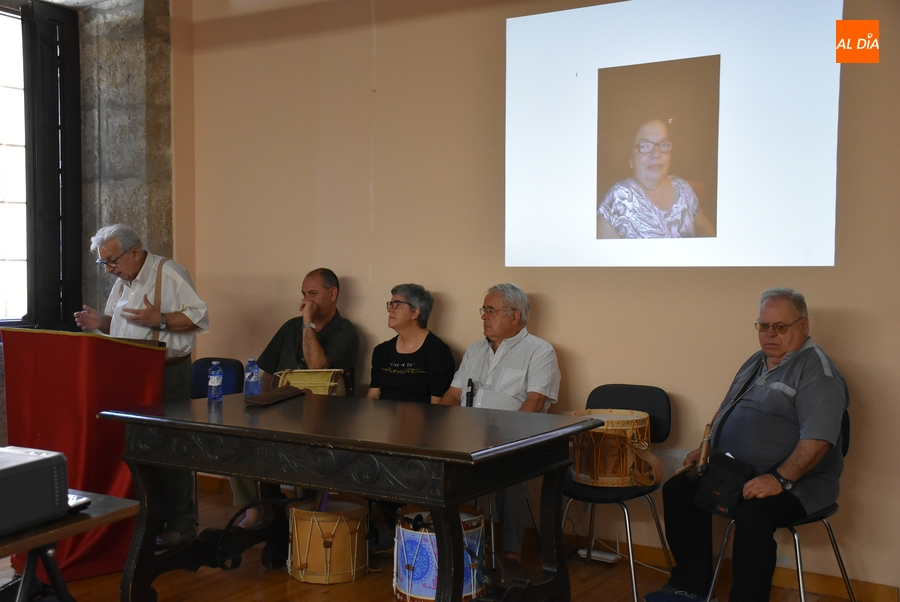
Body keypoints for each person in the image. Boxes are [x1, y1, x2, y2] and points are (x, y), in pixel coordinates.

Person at [644, 287, 849, 602]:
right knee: (679, 491)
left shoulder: (818, 373)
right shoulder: (757, 361)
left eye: (781, 327)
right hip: (738, 471)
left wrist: (778, 478)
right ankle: (692, 586)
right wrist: (707, 449)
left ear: (804, 326)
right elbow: (727, 409)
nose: (770, 334)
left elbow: (819, 439)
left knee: (753, 517)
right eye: (763, 326)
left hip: (799, 483)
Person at [74, 223, 209, 548]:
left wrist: (160, 319)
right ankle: (152, 516)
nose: (109, 270)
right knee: (140, 447)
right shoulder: (124, 280)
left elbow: (199, 317)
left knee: (169, 446)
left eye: (112, 261)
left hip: (167, 373)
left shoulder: (169, 272)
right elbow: (122, 326)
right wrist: (99, 324)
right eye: (103, 263)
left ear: (135, 251)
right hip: (131, 373)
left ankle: (181, 523)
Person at [438, 283, 561, 580]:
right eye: (484, 310)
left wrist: (506, 442)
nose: (484, 316)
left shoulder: (539, 351)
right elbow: (453, 395)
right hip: (466, 438)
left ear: (515, 316)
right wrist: (439, 429)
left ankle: (511, 557)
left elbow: (535, 402)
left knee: (509, 476)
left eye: (490, 311)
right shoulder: (475, 350)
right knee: (438, 472)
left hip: (515, 442)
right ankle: (451, 548)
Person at [232, 268, 360, 528]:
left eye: (313, 294)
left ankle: (303, 513)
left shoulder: (346, 332)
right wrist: (263, 407)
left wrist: (307, 322)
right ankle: (254, 509)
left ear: (332, 293)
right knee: (237, 438)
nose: (306, 301)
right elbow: (267, 372)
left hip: (323, 418)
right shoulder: (289, 327)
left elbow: (317, 366)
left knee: (305, 450)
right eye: (304, 294)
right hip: (282, 414)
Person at [597, 118, 715, 239]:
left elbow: (706, 227)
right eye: (645, 145)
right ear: (630, 156)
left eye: (664, 144)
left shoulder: (682, 188)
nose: (657, 153)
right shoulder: (618, 199)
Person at [366, 283, 455, 404]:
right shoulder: (382, 350)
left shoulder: (437, 351)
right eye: (390, 304)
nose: (389, 309)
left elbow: (437, 406)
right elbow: (372, 396)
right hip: (382, 420)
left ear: (415, 313)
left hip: (419, 421)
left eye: (396, 304)